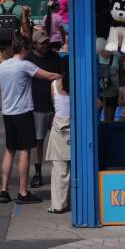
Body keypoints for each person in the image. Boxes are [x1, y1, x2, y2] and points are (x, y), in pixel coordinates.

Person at [0, 35, 61, 205]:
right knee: (25, 150)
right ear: (24, 49)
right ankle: (23, 191)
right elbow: (47, 76)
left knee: (10, 150)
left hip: (7, 112)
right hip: (22, 112)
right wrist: (63, 76)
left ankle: (4, 190)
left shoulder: (2, 67)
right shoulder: (25, 65)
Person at [27, 29, 61, 189]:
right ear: (35, 45)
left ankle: (59, 171)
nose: (46, 45)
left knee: (58, 140)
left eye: (47, 42)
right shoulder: (29, 59)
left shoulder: (55, 57)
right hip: (37, 107)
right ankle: (38, 173)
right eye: (42, 43)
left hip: (55, 107)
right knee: (38, 141)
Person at [46, 60, 71, 214]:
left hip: (59, 128)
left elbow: (54, 106)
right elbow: (98, 104)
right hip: (74, 128)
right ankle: (75, 201)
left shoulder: (54, 85)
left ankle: (58, 204)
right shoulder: (79, 85)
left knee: (59, 169)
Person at [97, 41, 121, 122]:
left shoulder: (117, 55)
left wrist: (121, 91)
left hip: (113, 92)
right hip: (98, 92)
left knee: (110, 120)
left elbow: (121, 73)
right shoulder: (95, 56)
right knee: (95, 119)